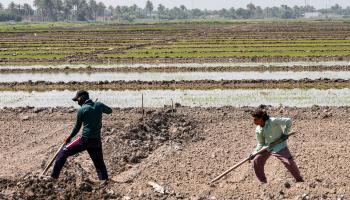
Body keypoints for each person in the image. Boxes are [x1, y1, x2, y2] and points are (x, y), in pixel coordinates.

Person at [51, 90, 112, 182]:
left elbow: (77, 127)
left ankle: (53, 177)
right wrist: (98, 107)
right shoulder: (99, 105)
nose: (77, 102)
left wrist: (69, 137)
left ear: (82, 98)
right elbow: (110, 111)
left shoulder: (82, 110)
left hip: (85, 140)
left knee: (63, 152)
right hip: (96, 141)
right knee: (99, 163)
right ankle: (104, 180)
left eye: (77, 100)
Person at [249, 109, 303, 183]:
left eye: (255, 119)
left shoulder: (273, 121)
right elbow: (261, 143)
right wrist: (255, 152)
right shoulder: (258, 129)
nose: (254, 121)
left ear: (261, 118)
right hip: (267, 146)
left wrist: (285, 134)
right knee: (257, 160)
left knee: (288, 162)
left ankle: (299, 180)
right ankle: (263, 182)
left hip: (279, 145)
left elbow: (288, 121)